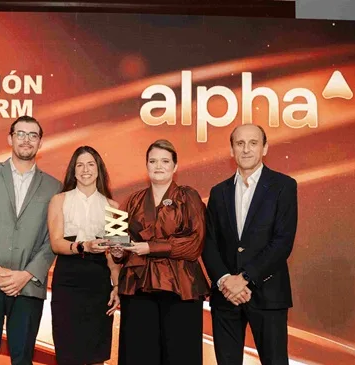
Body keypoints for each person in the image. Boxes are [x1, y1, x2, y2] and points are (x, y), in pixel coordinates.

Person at [0, 115, 62, 365]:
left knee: (22, 358)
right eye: (20, 134)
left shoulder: (54, 186)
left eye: (33, 135)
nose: (26, 140)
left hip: (28, 285)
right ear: (10, 138)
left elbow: (54, 238)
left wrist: (26, 274)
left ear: (40, 143)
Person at [201, 124, 298, 365]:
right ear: (231, 150)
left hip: (268, 293)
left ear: (265, 148)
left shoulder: (283, 186)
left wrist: (243, 278)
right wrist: (225, 280)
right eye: (240, 143)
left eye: (253, 143)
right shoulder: (218, 192)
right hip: (226, 297)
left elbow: (282, 242)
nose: (246, 149)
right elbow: (209, 242)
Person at [111, 139, 210, 365]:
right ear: (146, 165)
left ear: (175, 167)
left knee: (180, 355)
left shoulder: (189, 197)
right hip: (138, 288)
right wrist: (117, 252)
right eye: (153, 161)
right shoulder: (131, 200)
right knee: (138, 355)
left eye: (165, 161)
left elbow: (195, 244)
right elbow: (119, 245)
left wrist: (150, 247)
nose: (158, 166)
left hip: (180, 288)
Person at [47, 146, 121, 365]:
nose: (85, 169)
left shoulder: (114, 207)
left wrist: (117, 287)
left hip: (98, 284)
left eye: (90, 164)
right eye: (80, 165)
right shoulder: (59, 200)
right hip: (68, 280)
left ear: (99, 170)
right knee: (68, 353)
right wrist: (83, 246)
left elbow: (115, 258)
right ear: (73, 170)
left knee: (96, 355)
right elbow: (56, 243)